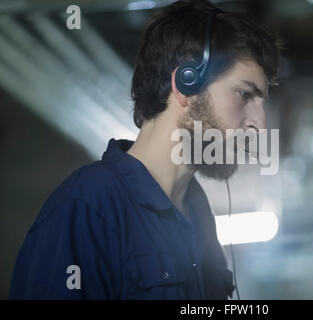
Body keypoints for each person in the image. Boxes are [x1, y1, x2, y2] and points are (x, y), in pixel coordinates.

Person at [9, 0, 281, 299]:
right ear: (186, 84)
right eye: (244, 94)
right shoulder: (88, 205)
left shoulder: (197, 209)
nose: (260, 125)